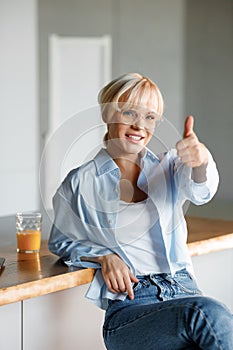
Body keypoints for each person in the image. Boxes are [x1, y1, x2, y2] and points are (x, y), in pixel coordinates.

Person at [48, 73, 233, 349]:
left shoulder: (169, 167)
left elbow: (201, 191)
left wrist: (201, 160)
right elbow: (61, 242)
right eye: (130, 113)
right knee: (206, 314)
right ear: (107, 113)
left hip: (183, 290)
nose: (139, 125)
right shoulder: (80, 181)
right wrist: (103, 256)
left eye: (149, 117)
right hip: (132, 308)